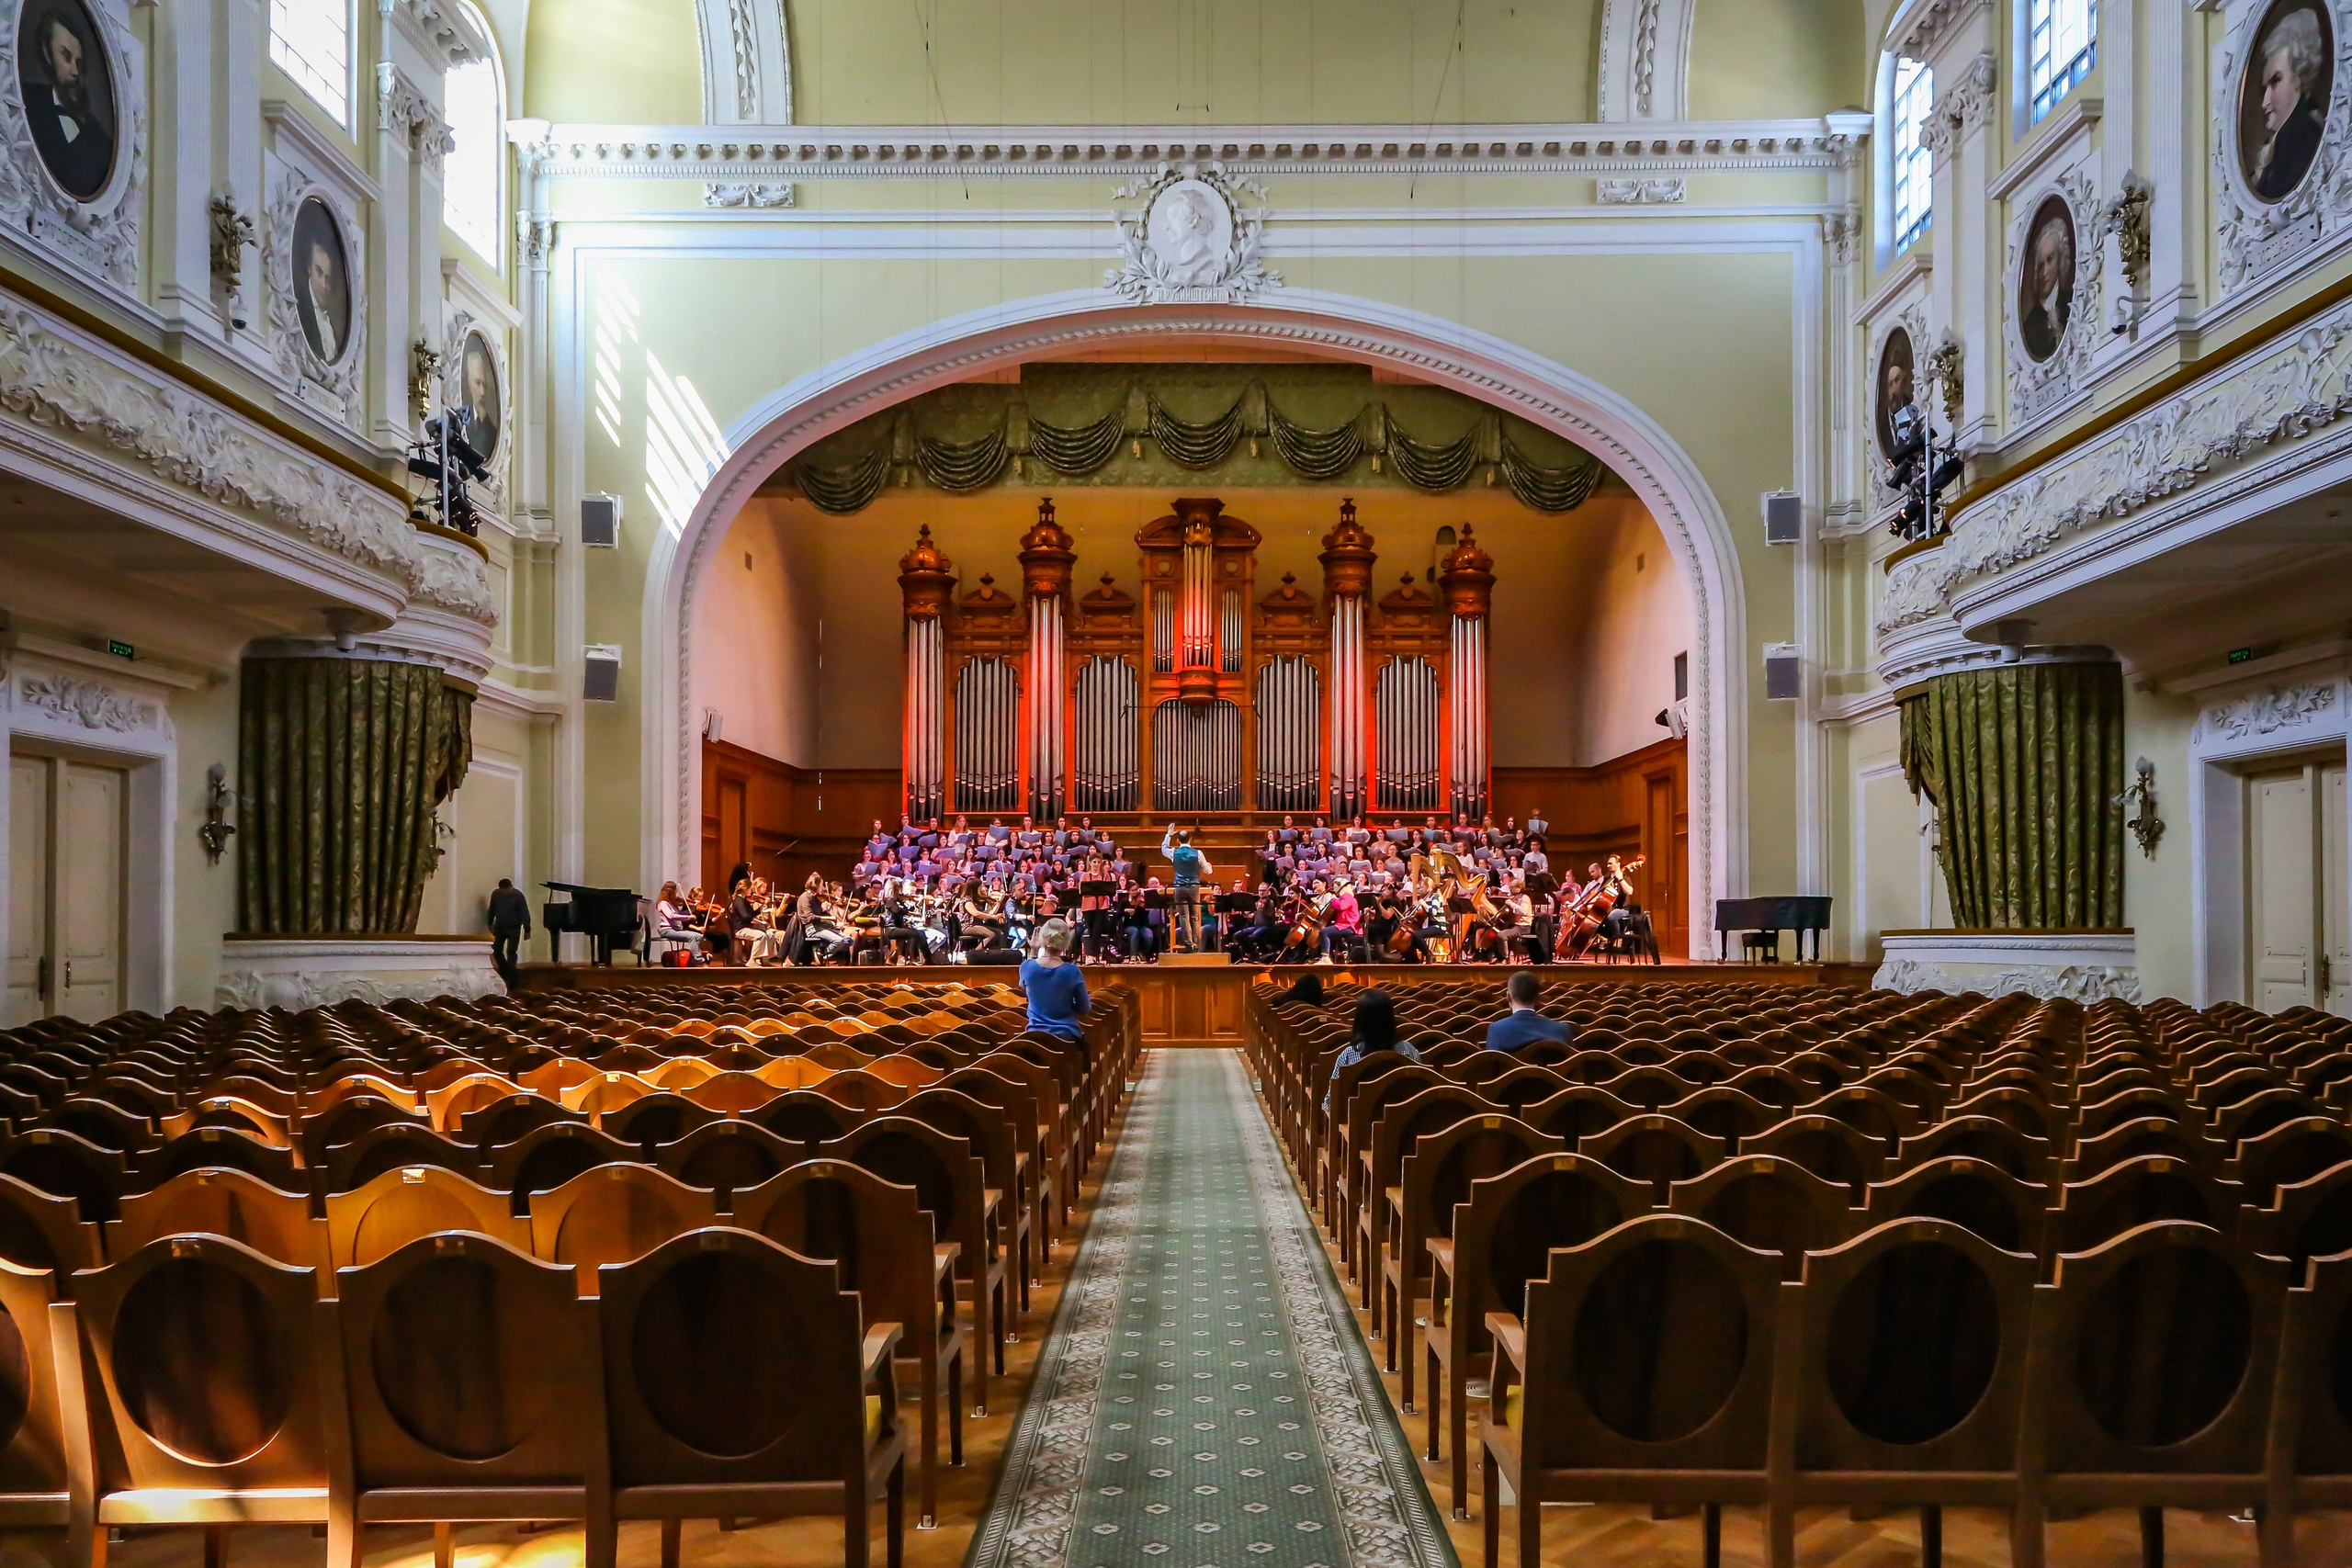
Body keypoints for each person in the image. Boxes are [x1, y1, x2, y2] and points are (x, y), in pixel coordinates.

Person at [25, 7, 113, 200]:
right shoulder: (25, 100)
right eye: (65, 56)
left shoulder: (100, 140)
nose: (75, 71)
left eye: (79, 63)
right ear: (48, 54)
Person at [2252, 6, 2328, 200]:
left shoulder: (2305, 137)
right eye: (2264, 89)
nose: (2265, 102)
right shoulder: (2284, 143)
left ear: (2299, 77)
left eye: (2276, 81)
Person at [1324, 988, 1421, 1110]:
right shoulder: (1410, 1052)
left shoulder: (1348, 1055)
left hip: (1357, 1126)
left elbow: (1330, 1102)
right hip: (1402, 1124)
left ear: (1360, 1020)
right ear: (1391, 1018)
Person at [1019, 918, 1092, 1041]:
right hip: (1066, 1035)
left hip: (1034, 1036)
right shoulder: (1072, 971)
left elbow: (1024, 987)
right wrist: (1065, 1007)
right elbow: (1084, 1008)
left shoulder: (1027, 967)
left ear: (1043, 938)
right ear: (1066, 941)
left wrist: (1034, 950)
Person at [1486, 970, 1574, 1052]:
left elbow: (1491, 1067)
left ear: (1508, 997)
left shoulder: (1497, 1030)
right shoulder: (1562, 1030)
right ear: (1537, 997)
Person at [1161, 824, 1213, 952]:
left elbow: (1163, 849)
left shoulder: (1174, 852)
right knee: (1195, 916)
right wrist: (1209, 866)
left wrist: (1168, 834)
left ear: (1178, 840)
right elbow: (1208, 871)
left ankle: (1189, 944)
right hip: (1194, 887)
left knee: (1184, 916)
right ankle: (1196, 943)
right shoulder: (1198, 853)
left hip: (1179, 887)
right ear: (1190, 840)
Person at [486, 877, 531, 983]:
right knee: (496, 950)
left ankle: (511, 975)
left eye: (506, 891)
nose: (504, 893)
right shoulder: (496, 894)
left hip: (514, 927)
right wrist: (490, 922)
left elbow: (524, 913)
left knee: (511, 951)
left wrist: (527, 929)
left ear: (510, 887)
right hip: (500, 926)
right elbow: (492, 908)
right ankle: (504, 970)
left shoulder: (518, 896)